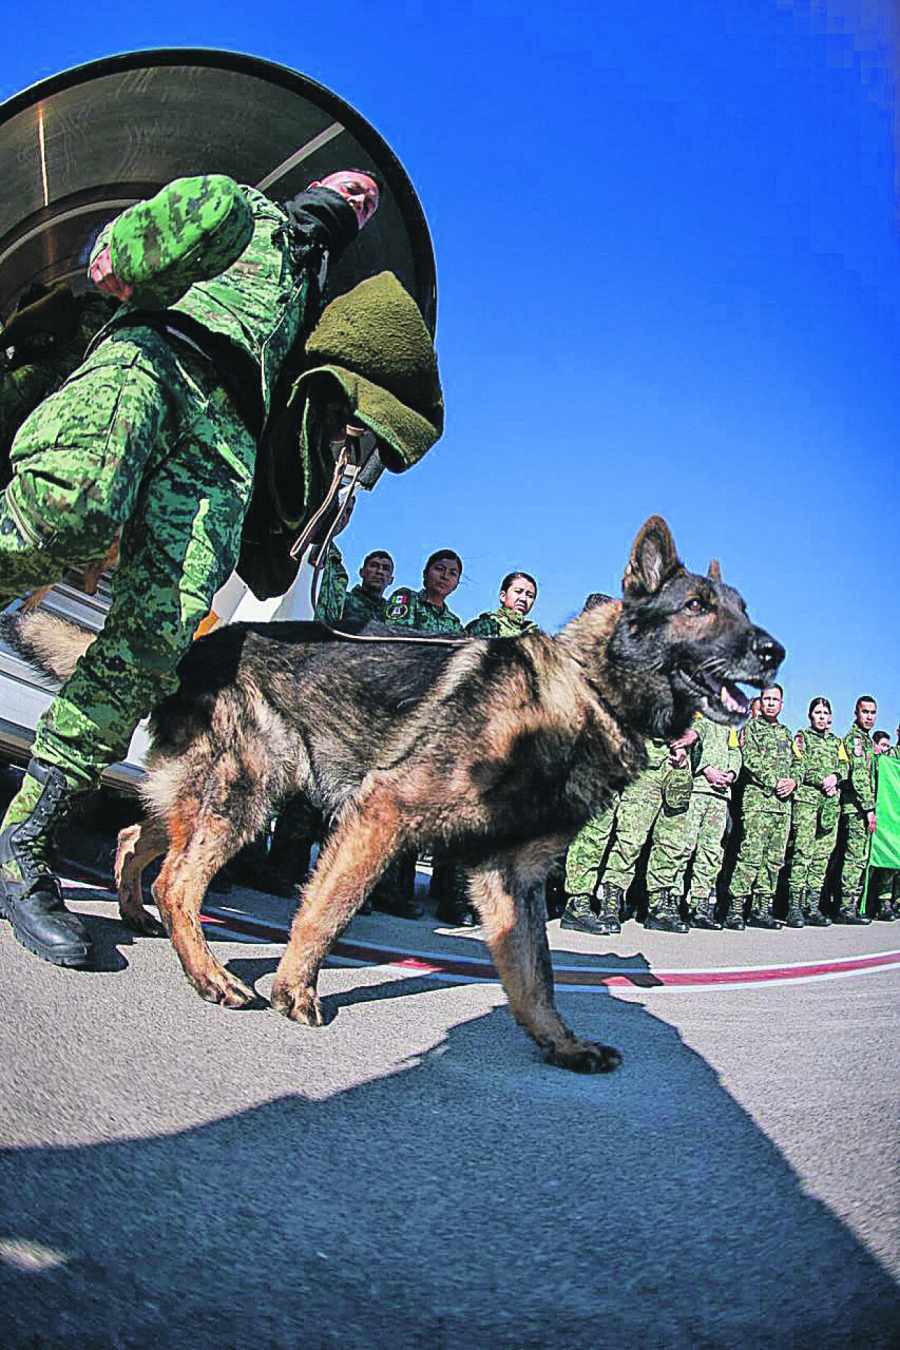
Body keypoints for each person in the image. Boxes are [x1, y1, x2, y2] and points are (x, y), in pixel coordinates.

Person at [0, 168, 387, 968]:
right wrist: (123, 255)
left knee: (153, 641)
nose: (358, 203)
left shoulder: (313, 316)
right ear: (315, 185)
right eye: (350, 188)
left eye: (367, 205)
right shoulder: (241, 210)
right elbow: (124, 257)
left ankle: (24, 842)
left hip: (226, 445)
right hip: (155, 361)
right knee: (68, 512)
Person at [590, 736, 694, 934]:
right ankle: (611, 904)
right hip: (646, 767)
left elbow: (707, 719)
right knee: (630, 839)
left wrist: (693, 733)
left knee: (671, 843)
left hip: (678, 772)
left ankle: (659, 908)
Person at [727, 684, 796, 929]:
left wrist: (792, 780)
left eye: (775, 699)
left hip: (782, 807)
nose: (770, 703)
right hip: (758, 803)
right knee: (750, 856)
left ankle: (761, 909)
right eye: (766, 699)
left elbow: (799, 762)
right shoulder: (751, 729)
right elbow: (750, 759)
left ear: (782, 704)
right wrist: (774, 781)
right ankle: (735, 909)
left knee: (774, 860)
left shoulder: (788, 734)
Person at [673, 713, 742, 931]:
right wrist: (706, 769)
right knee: (684, 847)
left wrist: (730, 774)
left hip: (720, 795)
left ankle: (699, 907)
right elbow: (686, 742)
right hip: (697, 788)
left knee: (711, 852)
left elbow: (735, 751)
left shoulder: (728, 721)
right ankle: (673, 902)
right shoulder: (695, 712)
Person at [786, 697, 848, 927]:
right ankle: (794, 908)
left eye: (825, 713)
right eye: (818, 713)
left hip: (830, 804)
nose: (822, 717)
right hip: (807, 802)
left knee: (822, 857)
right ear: (810, 715)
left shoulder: (837, 741)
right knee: (803, 853)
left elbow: (845, 765)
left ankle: (812, 907)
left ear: (830, 718)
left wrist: (836, 778)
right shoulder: (802, 737)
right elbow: (798, 764)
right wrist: (821, 779)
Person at [837, 695, 878, 925]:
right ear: (856, 713)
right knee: (854, 858)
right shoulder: (855, 741)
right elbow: (860, 778)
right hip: (857, 809)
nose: (869, 717)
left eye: (872, 713)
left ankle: (852, 905)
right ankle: (846, 907)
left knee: (861, 857)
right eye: (865, 712)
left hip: (864, 808)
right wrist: (870, 808)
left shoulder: (868, 742)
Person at [385, 549, 465, 634]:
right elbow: (395, 635)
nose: (445, 576)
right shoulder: (407, 598)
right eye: (440, 569)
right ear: (425, 573)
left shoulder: (454, 624)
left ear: (456, 584)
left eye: (452, 573)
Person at [465, 571, 538, 637]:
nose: (523, 599)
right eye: (518, 591)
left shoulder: (535, 636)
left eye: (530, 596)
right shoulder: (485, 627)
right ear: (503, 596)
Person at [341, 549, 395, 629]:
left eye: (385, 568)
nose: (379, 571)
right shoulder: (343, 600)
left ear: (391, 580)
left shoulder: (390, 612)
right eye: (374, 566)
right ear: (362, 572)